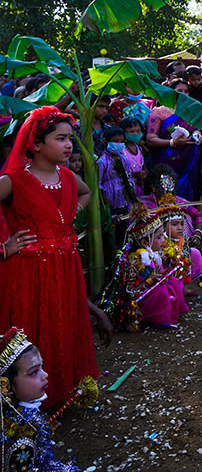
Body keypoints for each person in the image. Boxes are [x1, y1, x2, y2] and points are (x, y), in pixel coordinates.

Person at [0, 106, 112, 410]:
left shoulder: (67, 176)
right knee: (33, 332)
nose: (68, 146)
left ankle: (58, 395)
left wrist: (66, 218)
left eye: (70, 139)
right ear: (36, 144)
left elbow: (86, 193)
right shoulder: (13, 180)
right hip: (27, 275)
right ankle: (26, 406)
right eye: (60, 138)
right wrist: (4, 248)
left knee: (62, 327)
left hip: (65, 269)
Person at [0, 327, 83, 471]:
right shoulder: (18, 442)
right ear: (7, 386)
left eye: (42, 367)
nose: (45, 375)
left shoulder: (22, 417)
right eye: (34, 372)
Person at [101, 203, 189, 330]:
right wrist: (150, 281)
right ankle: (157, 318)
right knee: (162, 290)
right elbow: (129, 292)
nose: (163, 241)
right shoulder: (134, 260)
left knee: (173, 282)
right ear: (144, 242)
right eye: (159, 237)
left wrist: (171, 263)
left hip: (149, 292)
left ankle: (171, 314)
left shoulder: (155, 254)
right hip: (137, 301)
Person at [146, 80, 202, 200]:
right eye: (179, 91)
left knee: (189, 195)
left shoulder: (194, 113)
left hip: (190, 162)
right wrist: (172, 143)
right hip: (166, 162)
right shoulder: (159, 112)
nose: (183, 94)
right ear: (171, 92)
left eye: (186, 91)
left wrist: (198, 133)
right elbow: (151, 139)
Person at [158, 196, 202, 293]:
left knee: (194, 252)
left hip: (179, 273)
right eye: (175, 224)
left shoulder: (182, 240)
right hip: (164, 277)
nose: (180, 228)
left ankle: (183, 287)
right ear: (163, 227)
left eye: (182, 224)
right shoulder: (160, 241)